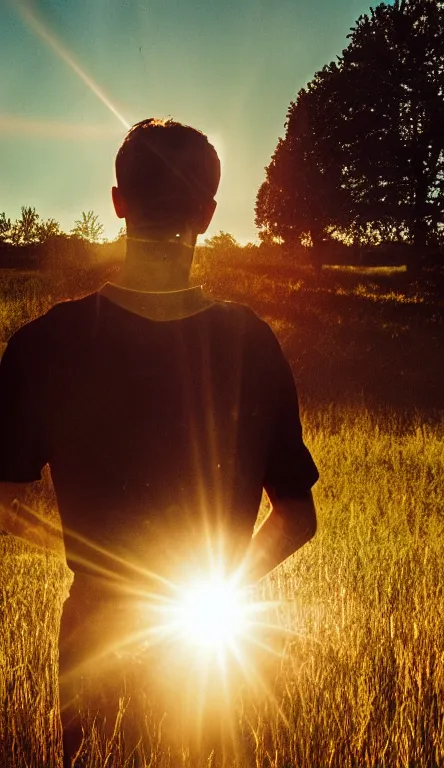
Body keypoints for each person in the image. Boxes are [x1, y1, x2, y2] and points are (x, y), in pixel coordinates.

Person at [0, 117, 318, 765]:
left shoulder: (44, 346)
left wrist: (86, 558)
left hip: (95, 637)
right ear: (206, 214)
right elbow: (297, 517)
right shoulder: (249, 344)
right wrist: (220, 590)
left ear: (118, 201)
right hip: (209, 646)